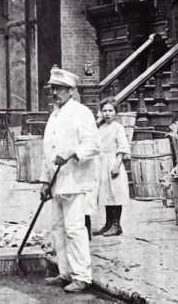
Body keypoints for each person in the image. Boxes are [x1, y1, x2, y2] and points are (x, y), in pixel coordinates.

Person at [40, 65, 101, 293]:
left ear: (71, 90)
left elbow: (94, 145)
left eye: (60, 88)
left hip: (76, 181)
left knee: (75, 229)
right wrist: (45, 182)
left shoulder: (81, 112)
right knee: (58, 228)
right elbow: (46, 151)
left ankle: (82, 276)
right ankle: (65, 272)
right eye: (53, 88)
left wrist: (72, 152)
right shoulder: (54, 115)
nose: (55, 93)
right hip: (57, 183)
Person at [92, 97, 131, 237]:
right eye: (104, 111)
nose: (107, 113)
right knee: (106, 194)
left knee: (115, 194)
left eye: (110, 110)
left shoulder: (118, 128)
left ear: (116, 113)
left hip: (113, 162)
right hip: (102, 163)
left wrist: (116, 165)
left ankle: (116, 225)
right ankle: (108, 224)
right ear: (100, 112)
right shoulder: (101, 127)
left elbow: (122, 148)